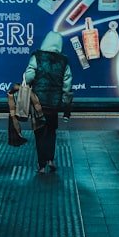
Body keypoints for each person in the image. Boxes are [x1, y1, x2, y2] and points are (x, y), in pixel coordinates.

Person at [24, 30, 73, 173]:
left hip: (38, 101)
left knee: (39, 132)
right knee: (51, 131)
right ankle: (50, 159)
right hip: (54, 103)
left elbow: (29, 76)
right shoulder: (64, 61)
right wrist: (65, 104)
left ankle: (41, 165)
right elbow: (67, 84)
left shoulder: (37, 57)